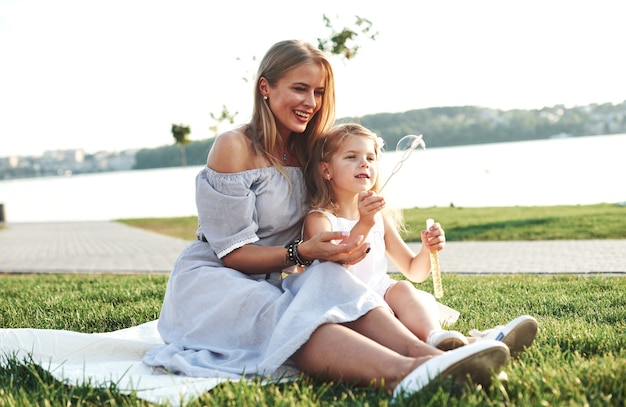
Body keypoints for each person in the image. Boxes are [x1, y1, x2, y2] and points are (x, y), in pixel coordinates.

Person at [143, 39, 514, 399]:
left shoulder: (310, 147)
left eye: (318, 92)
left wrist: (358, 228)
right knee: (292, 315)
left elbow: (349, 184)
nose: (311, 102)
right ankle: (405, 374)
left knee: (332, 282)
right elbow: (233, 254)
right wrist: (303, 252)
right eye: (300, 88)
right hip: (220, 282)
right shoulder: (234, 146)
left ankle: (435, 356)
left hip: (286, 274)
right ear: (265, 88)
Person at [302, 123, 539, 355]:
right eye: (351, 157)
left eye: (370, 158)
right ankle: (479, 341)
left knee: (402, 288)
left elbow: (414, 271)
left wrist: (427, 250)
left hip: (382, 298)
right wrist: (364, 222)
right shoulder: (320, 219)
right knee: (394, 320)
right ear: (326, 170)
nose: (364, 163)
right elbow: (337, 262)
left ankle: (437, 336)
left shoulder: (379, 218)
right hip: (347, 305)